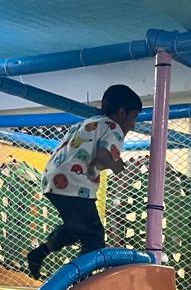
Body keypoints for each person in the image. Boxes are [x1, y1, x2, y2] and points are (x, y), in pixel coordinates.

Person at [27, 84, 143, 278]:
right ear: (122, 112)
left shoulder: (88, 123)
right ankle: (80, 283)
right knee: (94, 237)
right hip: (75, 184)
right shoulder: (114, 127)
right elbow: (101, 157)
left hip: (52, 180)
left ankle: (40, 252)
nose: (133, 125)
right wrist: (115, 166)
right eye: (134, 117)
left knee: (76, 228)